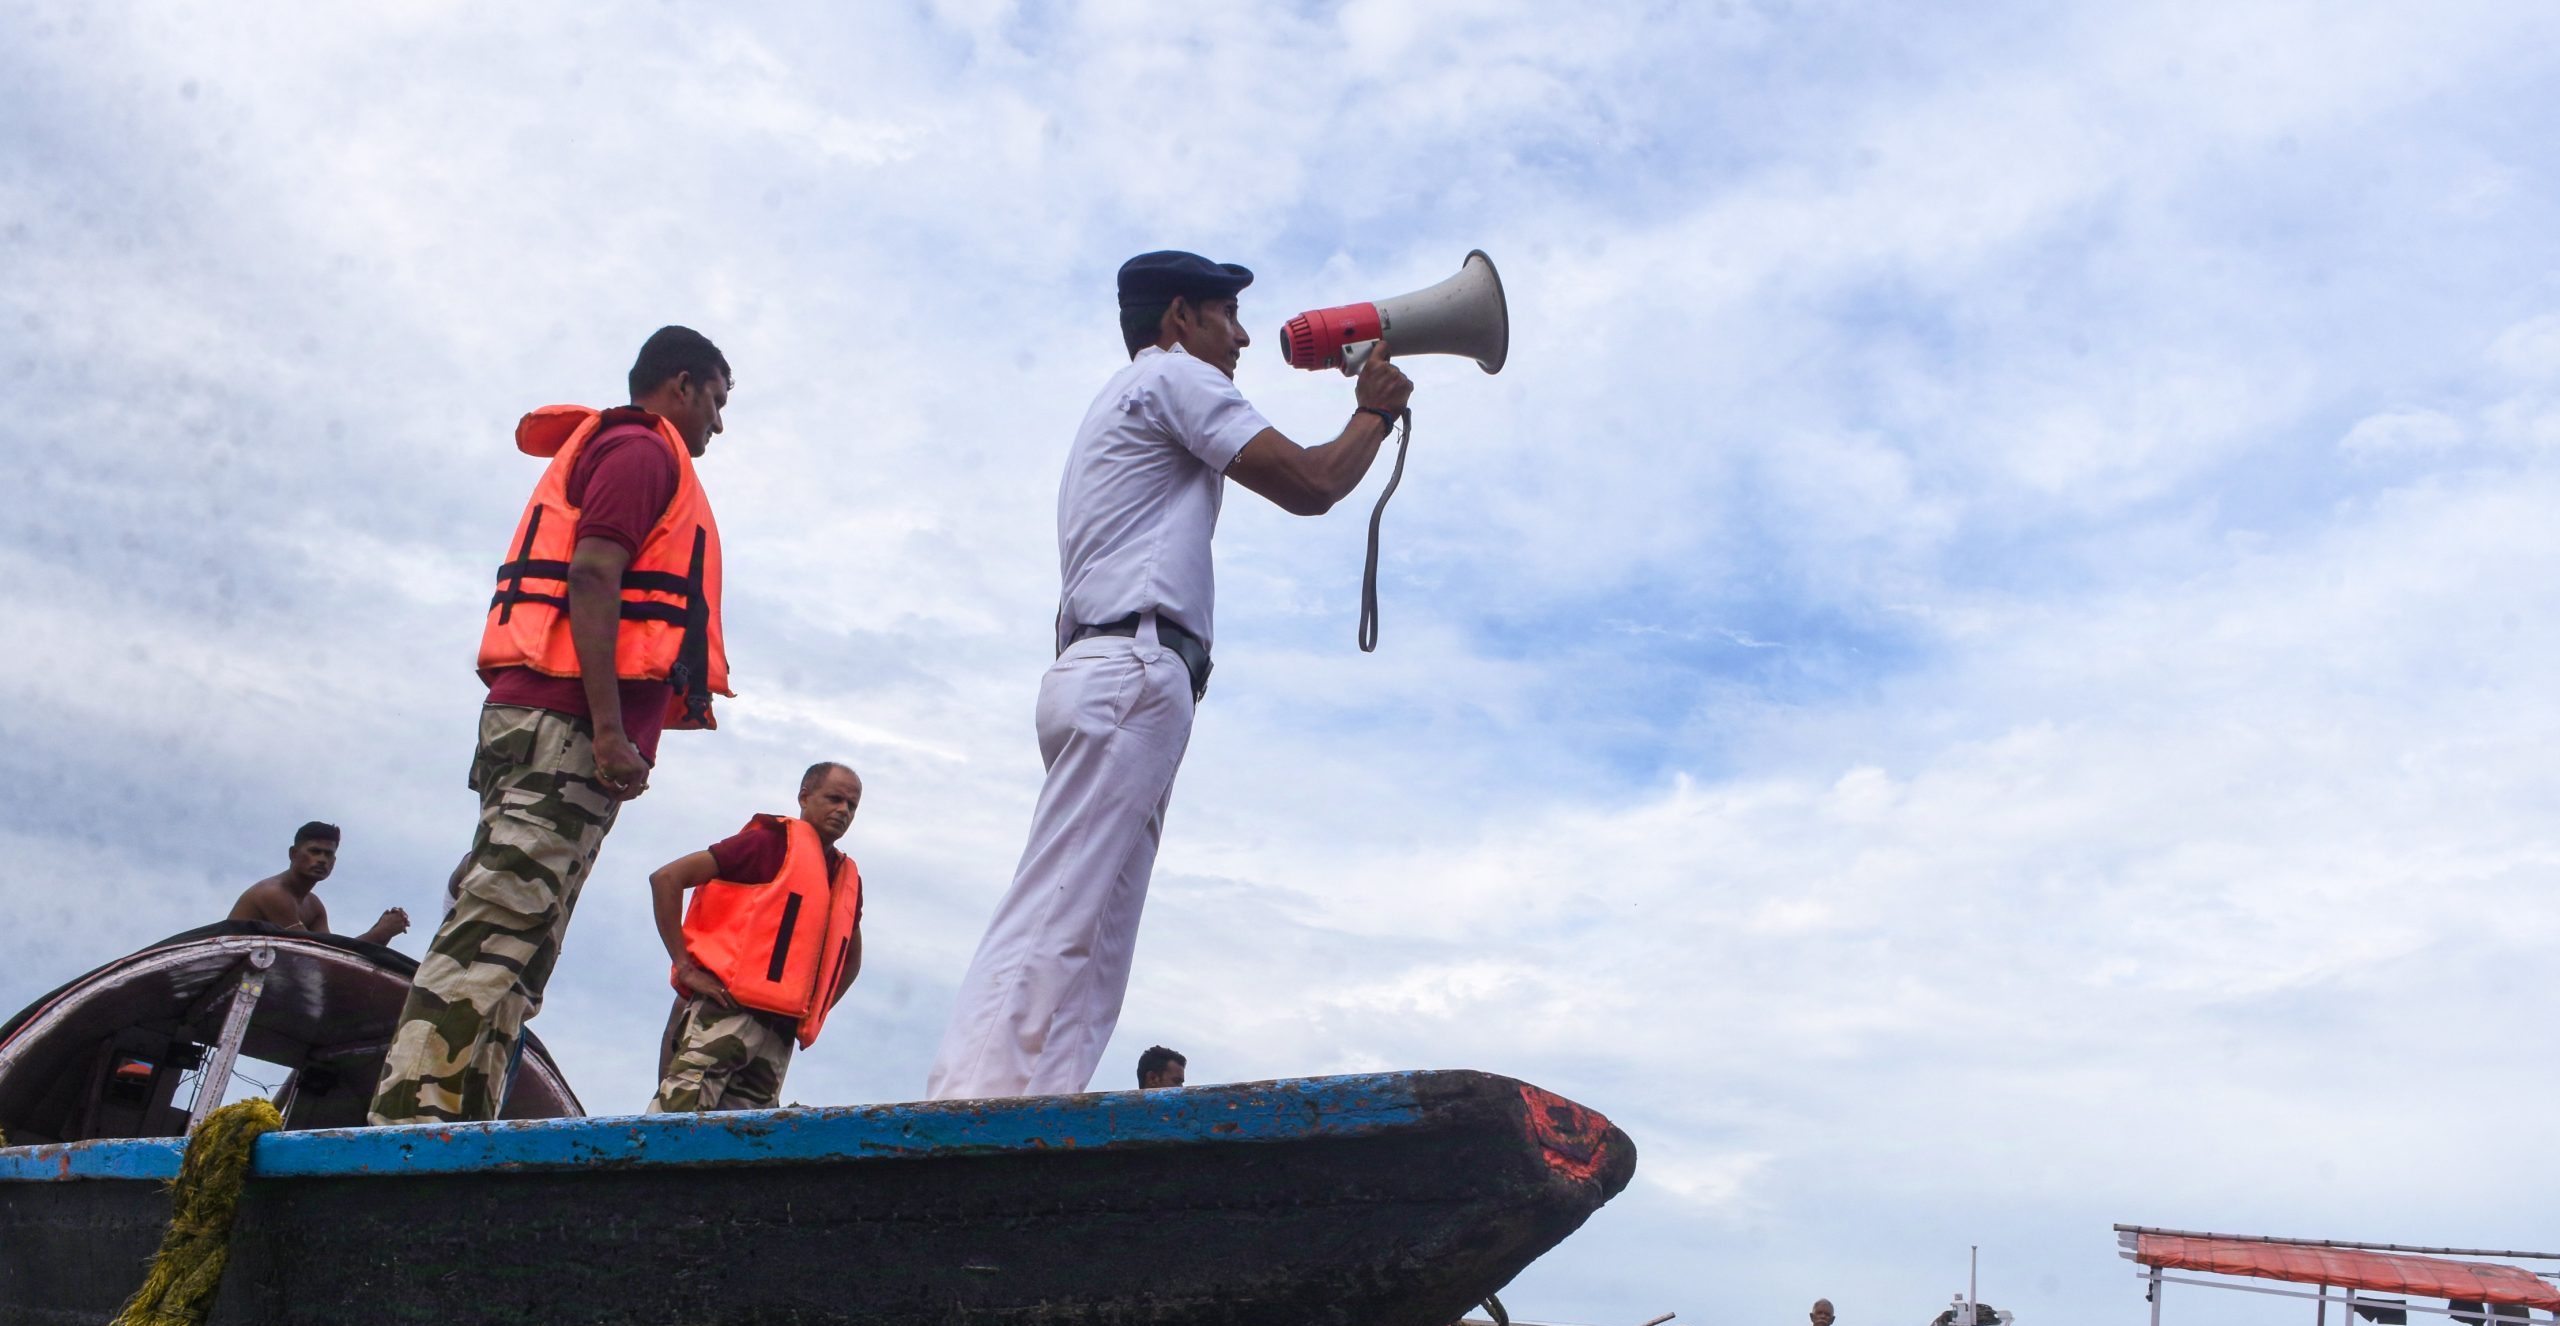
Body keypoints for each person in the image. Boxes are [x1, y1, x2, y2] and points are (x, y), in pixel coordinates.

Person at [926, 250, 1414, 1100]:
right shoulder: (1173, 377)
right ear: (1180, 318)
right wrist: (1370, 415)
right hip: (1132, 665)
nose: (1245, 337)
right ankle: (965, 1109)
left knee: (1099, 927)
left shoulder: (1127, 399)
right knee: (1063, 907)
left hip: (1123, 671)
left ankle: (1035, 1109)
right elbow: (1309, 484)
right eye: (1229, 316)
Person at [368, 326, 738, 1126]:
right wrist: (609, 729)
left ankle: (458, 1124)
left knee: (520, 947)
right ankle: (410, 1124)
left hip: (562, 730)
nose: (718, 421)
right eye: (716, 398)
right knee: (496, 930)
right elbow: (594, 571)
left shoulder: (638, 451)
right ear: (681, 386)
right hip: (563, 724)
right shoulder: (643, 452)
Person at [647, 762, 866, 1113]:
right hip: (726, 1011)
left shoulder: (843, 876)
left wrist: (812, 1011)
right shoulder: (769, 843)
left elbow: (851, 960)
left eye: (851, 805)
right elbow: (667, 879)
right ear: (804, 797)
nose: (843, 811)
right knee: (678, 1121)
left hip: (778, 1032)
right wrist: (685, 967)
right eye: (834, 798)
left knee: (744, 1141)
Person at [226, 821, 410, 946]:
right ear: (293, 854)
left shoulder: (314, 906)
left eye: (328, 854)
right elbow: (315, 953)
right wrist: (380, 932)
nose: (322, 860)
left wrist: (380, 930)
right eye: (315, 851)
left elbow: (334, 955)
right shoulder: (272, 893)